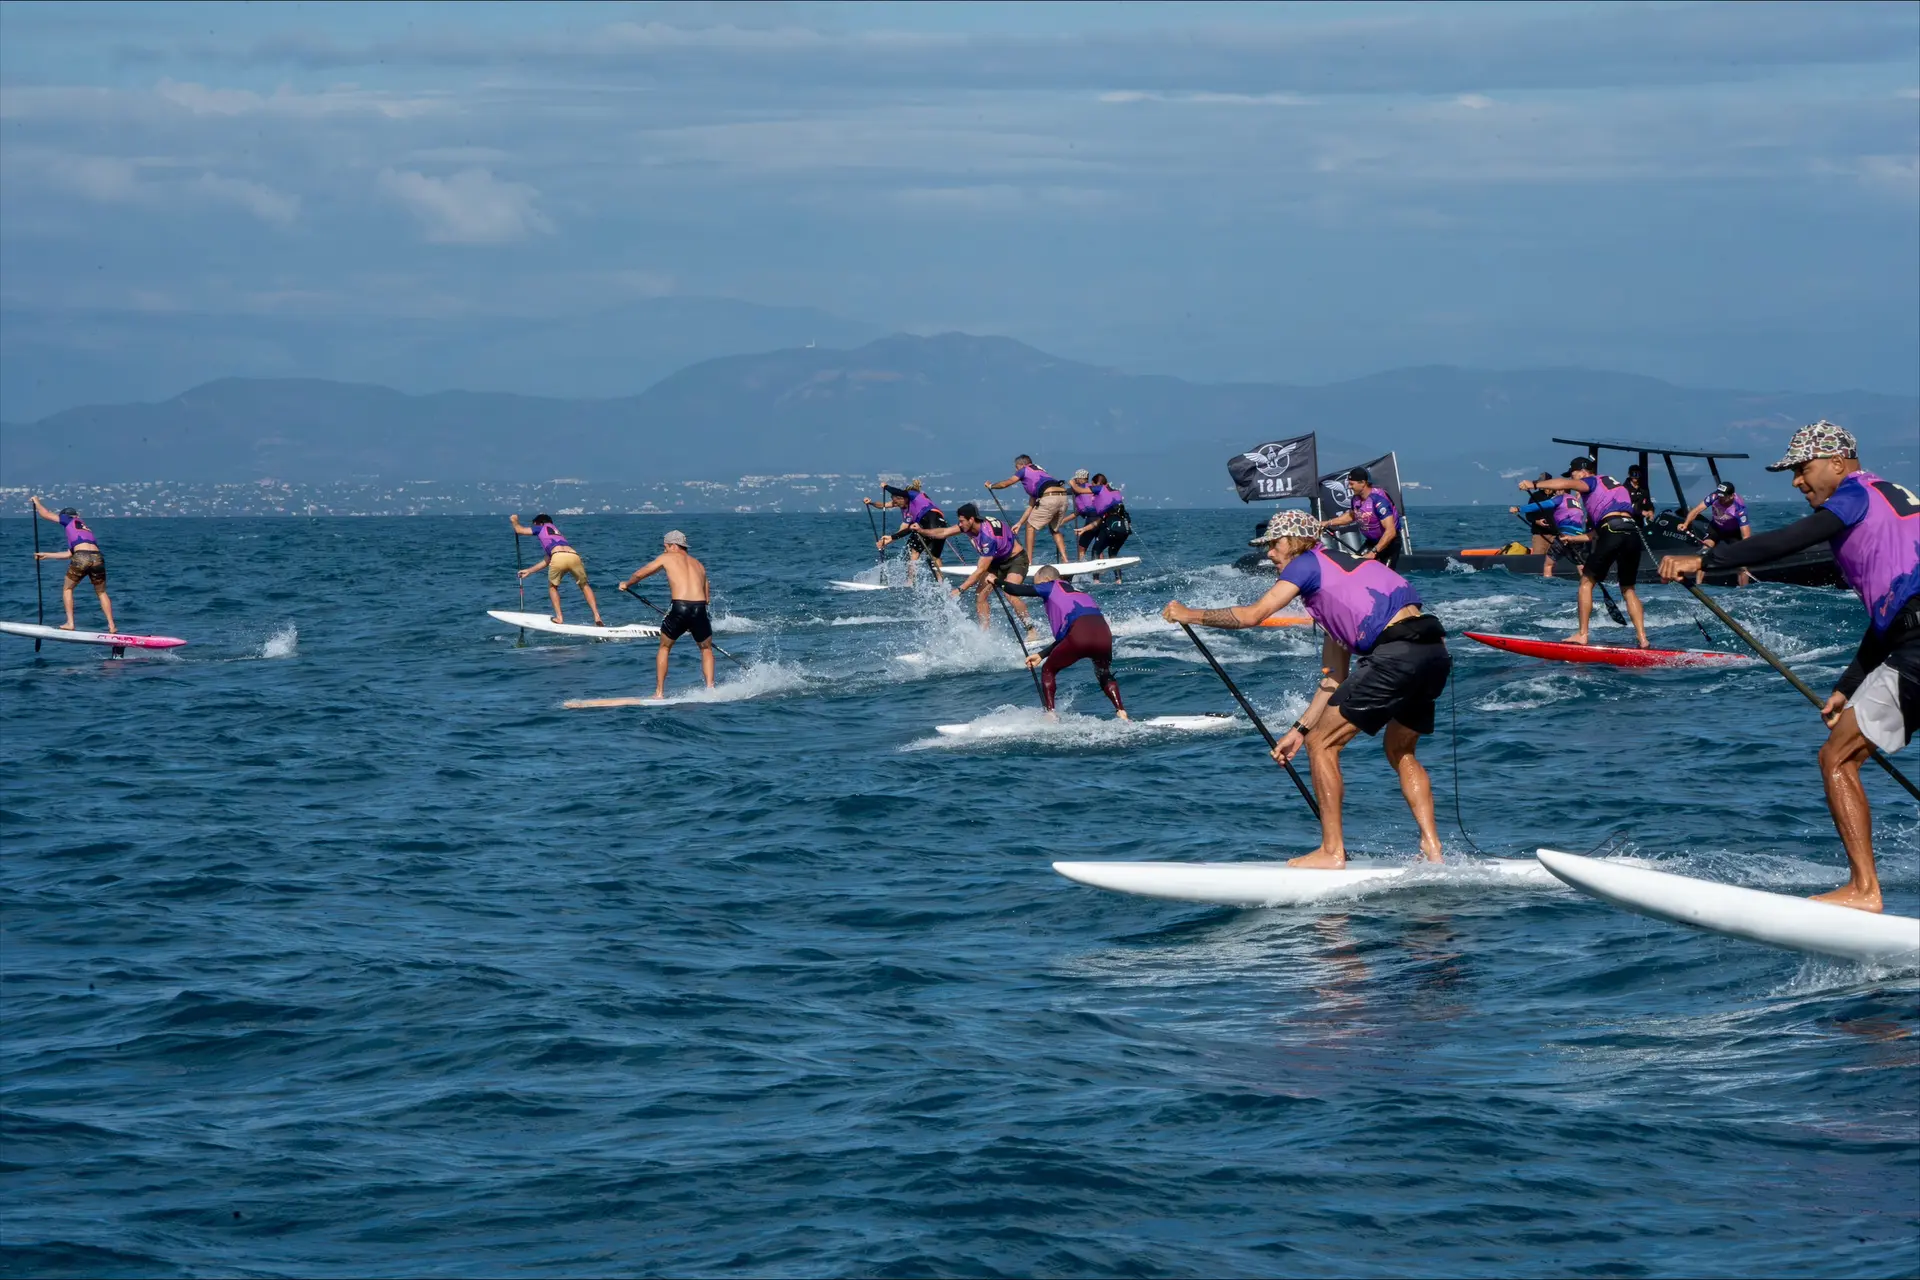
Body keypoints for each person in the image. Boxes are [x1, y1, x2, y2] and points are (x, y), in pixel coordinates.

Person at [1659, 421, 1920, 913]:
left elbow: (1794, 538)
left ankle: (1864, 891)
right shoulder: (1895, 500)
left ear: (1837, 463)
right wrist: (1849, 684)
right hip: (1908, 639)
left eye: (1802, 469)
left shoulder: (1854, 494)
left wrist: (1707, 561)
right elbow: (1899, 609)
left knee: (1837, 759)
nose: (1798, 481)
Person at [1162, 509, 1451, 868]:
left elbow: (1253, 615)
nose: (1269, 553)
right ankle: (1433, 849)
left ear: (1296, 541)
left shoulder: (1306, 563)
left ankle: (1332, 852)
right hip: (1434, 653)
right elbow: (1333, 678)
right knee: (1400, 749)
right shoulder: (1349, 573)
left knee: (1323, 745)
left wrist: (1189, 614)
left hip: (1395, 655)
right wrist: (1299, 730)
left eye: (1274, 544)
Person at [1520, 458, 1650, 647]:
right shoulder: (1617, 487)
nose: (1573, 479)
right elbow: (1599, 531)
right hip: (1632, 533)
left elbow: (1564, 484)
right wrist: (1573, 539)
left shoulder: (1591, 480)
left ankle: (1582, 635)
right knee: (1628, 589)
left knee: (1586, 583)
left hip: (1612, 531)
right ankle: (1643, 639)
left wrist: (1534, 484)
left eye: (1573, 474)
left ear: (1583, 471)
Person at [998, 565, 1128, 720]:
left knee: (1048, 670)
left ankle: (1050, 714)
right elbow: (1070, 634)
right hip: (1104, 635)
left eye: (1038, 585)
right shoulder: (1081, 594)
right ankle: (1121, 712)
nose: (1039, 591)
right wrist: (1041, 654)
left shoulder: (1051, 585)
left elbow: (1015, 590)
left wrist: (996, 581)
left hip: (1079, 635)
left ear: (1047, 580)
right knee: (1103, 673)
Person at [620, 530, 715, 699]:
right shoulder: (699, 564)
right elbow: (707, 599)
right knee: (706, 648)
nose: (664, 550)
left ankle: (659, 693)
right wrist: (692, 621)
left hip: (680, 607)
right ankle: (710, 689)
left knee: (665, 647)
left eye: (665, 547)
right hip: (699, 609)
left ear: (672, 545)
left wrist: (626, 584)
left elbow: (641, 573)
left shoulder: (667, 557)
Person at [921, 502, 1036, 633]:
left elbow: (981, 570)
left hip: (1016, 560)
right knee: (980, 596)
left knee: (1010, 593)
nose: (959, 524)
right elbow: (944, 532)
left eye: (961, 521)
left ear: (971, 519)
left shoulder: (988, 538)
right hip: (996, 561)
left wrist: (960, 589)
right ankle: (984, 634)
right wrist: (921, 531)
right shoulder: (970, 525)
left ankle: (1031, 630)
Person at [31, 497, 115, 632]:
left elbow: (45, 514)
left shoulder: (69, 519)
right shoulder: (85, 529)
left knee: (67, 589)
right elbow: (69, 554)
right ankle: (112, 626)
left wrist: (36, 502)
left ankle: (70, 623)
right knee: (101, 592)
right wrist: (47, 555)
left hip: (82, 556)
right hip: (97, 557)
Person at [510, 513, 604, 627]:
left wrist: (514, 520)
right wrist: (529, 571)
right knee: (584, 585)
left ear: (540, 523)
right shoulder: (557, 533)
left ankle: (559, 617)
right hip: (574, 556)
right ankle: (597, 616)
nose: (534, 527)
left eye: (535, 525)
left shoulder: (541, 527)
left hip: (558, 556)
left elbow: (519, 530)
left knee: (553, 587)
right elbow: (548, 560)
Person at [986, 454, 1071, 567]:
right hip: (1063, 497)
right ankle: (1065, 560)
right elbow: (1031, 506)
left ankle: (1029, 561)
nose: (1016, 470)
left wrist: (991, 486)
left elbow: (1006, 483)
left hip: (1049, 497)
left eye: (1016, 467)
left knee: (1030, 527)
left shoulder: (1024, 470)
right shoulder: (1041, 473)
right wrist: (1019, 523)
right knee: (1054, 529)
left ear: (1022, 465)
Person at [1509, 472, 1588, 578]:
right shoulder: (1575, 501)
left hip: (1564, 535)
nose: (1555, 492)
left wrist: (1519, 509)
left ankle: (1547, 583)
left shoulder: (1560, 498)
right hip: (1578, 536)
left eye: (1557, 490)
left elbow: (1540, 505)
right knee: (1580, 564)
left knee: (1548, 565)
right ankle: (1586, 582)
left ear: (1561, 490)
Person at [869, 481, 948, 583]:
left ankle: (910, 582)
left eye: (896, 502)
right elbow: (884, 506)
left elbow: (899, 492)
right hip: (941, 524)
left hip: (929, 521)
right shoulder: (909, 511)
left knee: (913, 551)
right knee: (934, 556)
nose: (895, 505)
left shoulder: (913, 495)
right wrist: (870, 503)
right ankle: (942, 583)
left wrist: (886, 487)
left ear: (903, 498)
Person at [1320, 467, 1401, 566]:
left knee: (1384, 573)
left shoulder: (1379, 500)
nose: (1349, 487)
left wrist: (1374, 552)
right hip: (1372, 542)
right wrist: (1328, 523)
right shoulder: (1356, 499)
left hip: (1389, 543)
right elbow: (1351, 516)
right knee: (1355, 566)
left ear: (1362, 483)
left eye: (1352, 484)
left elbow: (1391, 531)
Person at [1073, 473, 1132, 580]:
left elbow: (1079, 490)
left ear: (1096, 484)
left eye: (1092, 485)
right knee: (1112, 553)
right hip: (1124, 528)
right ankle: (1119, 580)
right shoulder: (1115, 493)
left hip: (1111, 527)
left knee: (1096, 550)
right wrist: (1084, 529)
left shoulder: (1099, 488)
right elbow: (1099, 521)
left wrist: (1071, 482)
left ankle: (1096, 580)